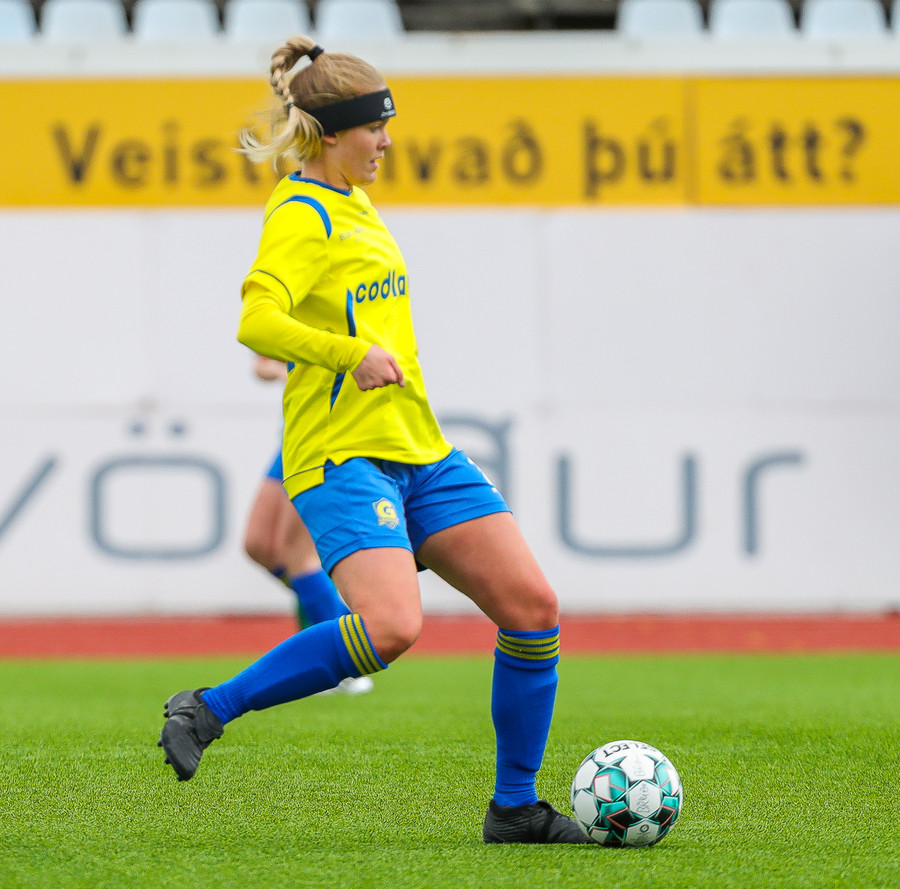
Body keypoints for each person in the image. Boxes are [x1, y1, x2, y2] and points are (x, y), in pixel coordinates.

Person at [158, 35, 591, 845]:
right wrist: (346, 353)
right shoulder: (301, 212)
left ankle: (515, 808)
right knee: (392, 626)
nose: (388, 141)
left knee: (533, 608)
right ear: (331, 134)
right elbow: (256, 319)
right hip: (343, 455)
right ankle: (207, 708)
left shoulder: (355, 201)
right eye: (375, 127)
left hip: (419, 449)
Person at [243, 354, 373, 695]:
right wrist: (283, 371)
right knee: (259, 545)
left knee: (299, 557)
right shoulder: (289, 320)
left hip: (325, 432)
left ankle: (344, 663)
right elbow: (262, 363)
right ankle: (346, 627)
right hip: (294, 433)